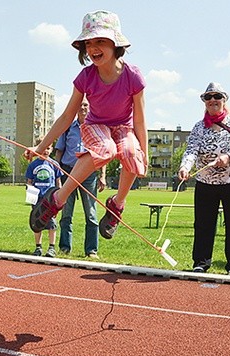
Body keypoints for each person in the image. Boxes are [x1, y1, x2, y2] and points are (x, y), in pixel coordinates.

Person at [25, 10, 147, 241]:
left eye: (100, 41)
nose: (92, 49)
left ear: (115, 43)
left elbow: (140, 118)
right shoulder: (86, 77)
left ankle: (116, 206)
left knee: (132, 154)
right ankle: (57, 199)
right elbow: (66, 116)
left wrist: (145, 152)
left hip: (123, 127)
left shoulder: (133, 76)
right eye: (88, 43)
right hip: (95, 125)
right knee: (106, 150)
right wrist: (41, 147)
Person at [178, 82, 230, 276]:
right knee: (203, 223)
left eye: (217, 96)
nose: (213, 100)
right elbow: (191, 150)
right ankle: (201, 262)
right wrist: (185, 167)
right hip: (206, 182)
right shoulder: (199, 127)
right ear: (204, 102)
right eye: (208, 97)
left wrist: (229, 157)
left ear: (224, 99)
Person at [54, 98, 106, 258]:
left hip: (89, 174)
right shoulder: (68, 127)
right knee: (66, 213)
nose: (82, 107)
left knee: (91, 213)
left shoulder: (96, 129)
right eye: (80, 105)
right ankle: (64, 248)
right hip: (68, 172)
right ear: (76, 108)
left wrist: (103, 176)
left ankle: (91, 250)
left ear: (90, 108)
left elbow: (102, 154)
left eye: (85, 105)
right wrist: (57, 171)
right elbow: (59, 152)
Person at [26, 140, 63, 257]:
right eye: (43, 148)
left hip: (50, 200)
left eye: (48, 148)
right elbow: (29, 182)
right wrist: (31, 197)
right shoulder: (33, 165)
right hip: (38, 199)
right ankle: (38, 247)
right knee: (38, 223)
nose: (46, 151)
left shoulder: (54, 164)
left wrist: (60, 197)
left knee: (52, 224)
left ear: (51, 149)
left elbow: (58, 182)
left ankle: (52, 247)